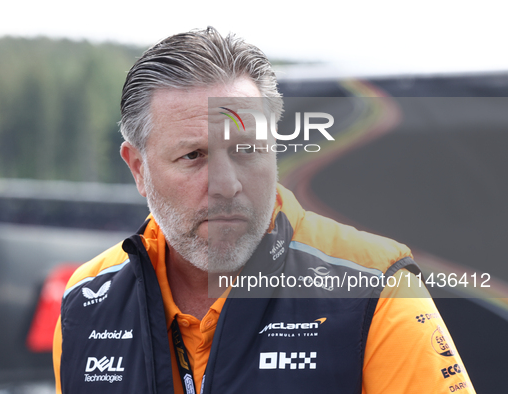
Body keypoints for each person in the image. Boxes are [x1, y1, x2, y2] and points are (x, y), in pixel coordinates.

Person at [53, 27, 475, 394]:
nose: (227, 185)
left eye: (246, 150)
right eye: (194, 155)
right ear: (138, 168)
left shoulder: (375, 288)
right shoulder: (88, 301)